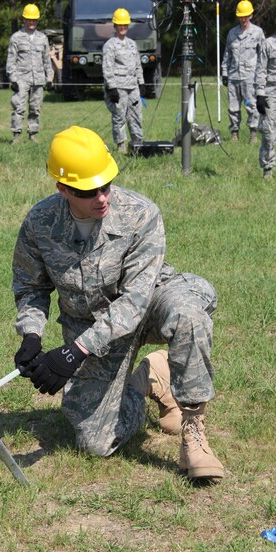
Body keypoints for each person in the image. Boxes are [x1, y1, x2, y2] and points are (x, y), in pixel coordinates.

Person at [12, 126, 224, 480]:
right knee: (93, 442)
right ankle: (149, 380)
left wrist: (77, 351)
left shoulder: (141, 213)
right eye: (88, 190)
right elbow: (31, 286)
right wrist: (31, 334)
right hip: (92, 325)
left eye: (106, 184)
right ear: (62, 189)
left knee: (188, 315)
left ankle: (194, 430)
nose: (101, 196)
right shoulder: (39, 223)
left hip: (153, 302)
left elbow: (136, 299)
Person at [6, 4, 53, 144]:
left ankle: (32, 135)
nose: (31, 22)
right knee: (19, 107)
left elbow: (47, 60)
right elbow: (11, 60)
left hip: (38, 80)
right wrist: (13, 79)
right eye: (29, 20)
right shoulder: (16, 38)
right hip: (21, 79)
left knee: (35, 108)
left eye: (34, 20)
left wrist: (49, 78)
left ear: (37, 20)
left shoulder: (43, 38)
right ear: (24, 20)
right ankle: (16, 136)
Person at [102, 8, 146, 154]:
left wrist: (141, 82)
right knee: (119, 116)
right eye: (120, 24)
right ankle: (121, 145)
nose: (123, 27)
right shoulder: (110, 45)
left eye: (125, 24)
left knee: (136, 115)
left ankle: (137, 143)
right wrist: (112, 88)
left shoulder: (132, 44)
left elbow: (138, 65)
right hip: (118, 88)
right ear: (115, 25)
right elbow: (107, 68)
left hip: (133, 87)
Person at [221, 0, 265, 143]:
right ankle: (234, 134)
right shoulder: (232, 33)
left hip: (249, 78)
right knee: (233, 108)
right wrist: (224, 73)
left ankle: (253, 134)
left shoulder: (258, 33)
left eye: (246, 16)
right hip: (234, 76)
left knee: (251, 107)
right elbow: (227, 55)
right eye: (241, 16)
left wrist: (261, 76)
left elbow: (263, 57)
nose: (243, 19)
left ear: (251, 15)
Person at [255, 33, 276, 179]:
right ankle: (267, 169)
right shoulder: (267, 44)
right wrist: (260, 94)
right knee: (269, 131)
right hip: (271, 91)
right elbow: (261, 70)